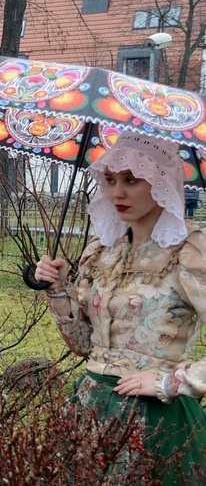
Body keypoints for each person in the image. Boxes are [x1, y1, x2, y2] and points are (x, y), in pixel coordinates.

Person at [34, 131, 206, 482]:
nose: (117, 193)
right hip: (89, 410)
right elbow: (85, 346)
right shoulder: (102, 251)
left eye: (131, 180)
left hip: (155, 420)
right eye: (110, 180)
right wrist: (58, 291)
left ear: (160, 182)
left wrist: (173, 382)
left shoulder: (190, 253)